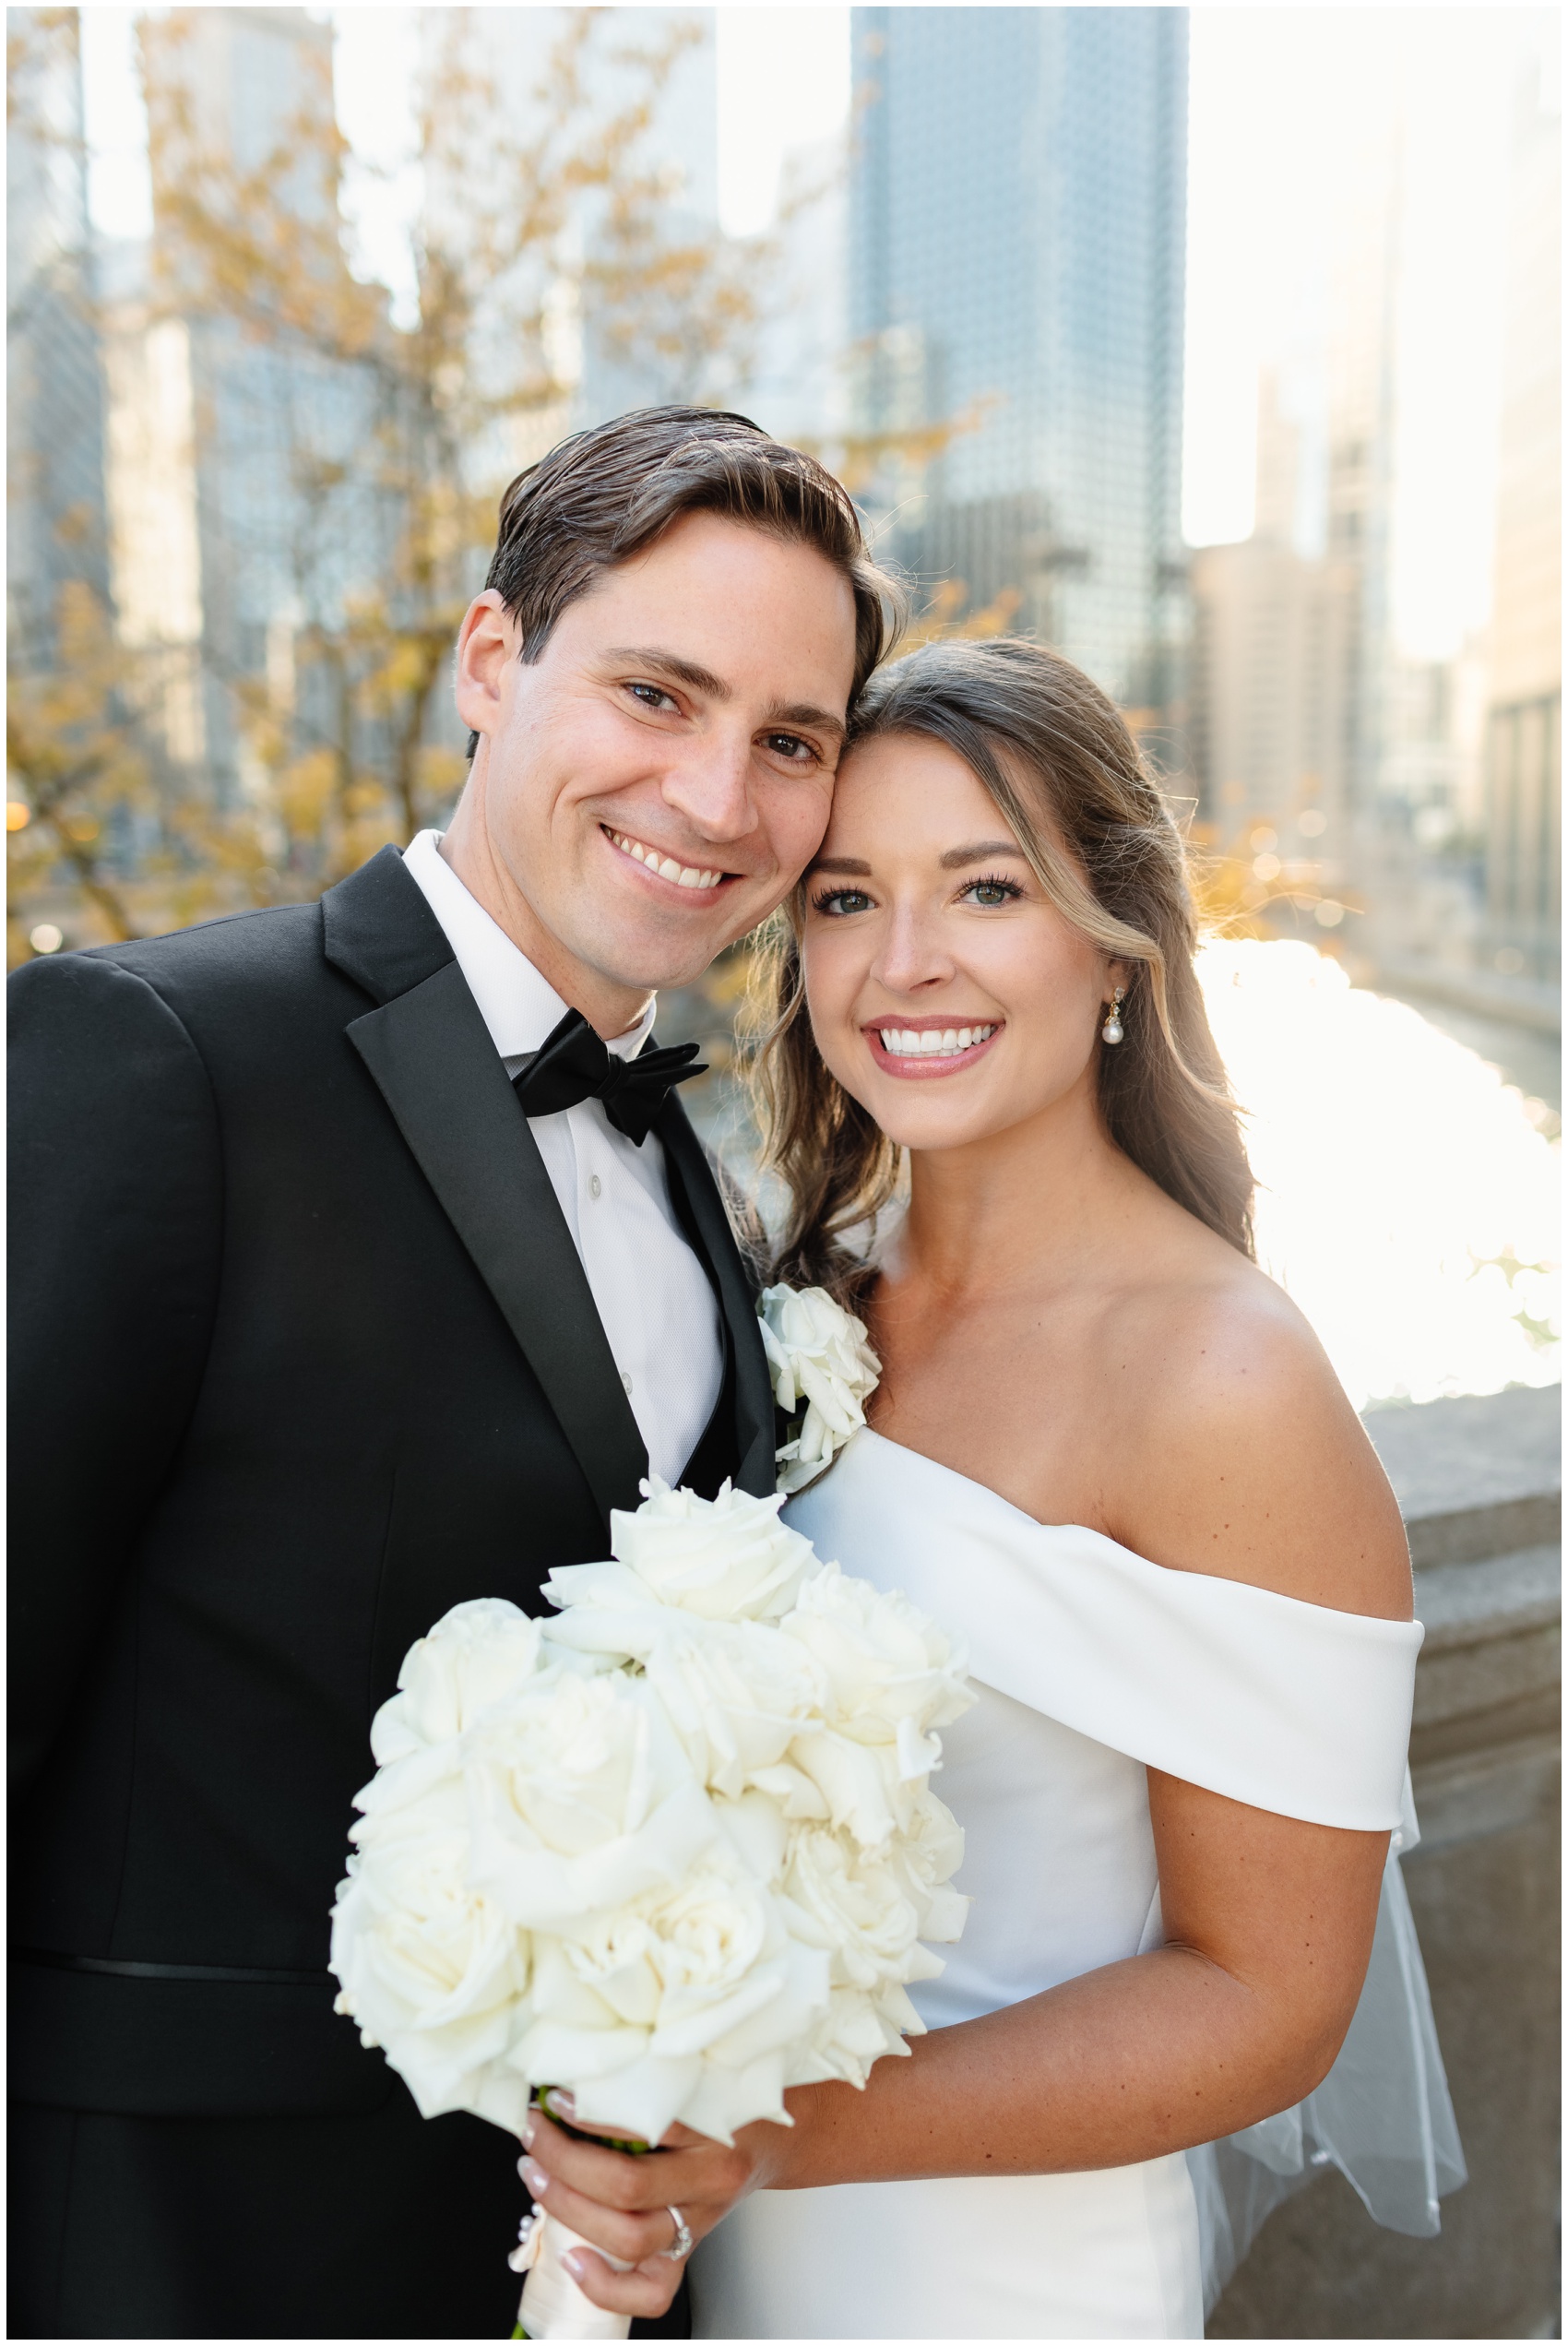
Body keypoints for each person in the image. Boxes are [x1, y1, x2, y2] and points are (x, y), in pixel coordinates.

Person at [8, 406, 899, 2340]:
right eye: (656, 693)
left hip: (560, 2266)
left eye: (790, 742)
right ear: (494, 664)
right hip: (166, 2250)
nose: (716, 795)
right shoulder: (154, 1056)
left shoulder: (689, 1158)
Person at [512, 636, 1462, 2339]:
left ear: (1118, 947)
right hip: (730, 2263)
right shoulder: (806, 1293)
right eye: (848, 898)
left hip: (1001, 2273)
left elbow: (1266, 2001)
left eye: (986, 889)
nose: (904, 965)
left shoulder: (1225, 1382)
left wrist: (761, 2141)